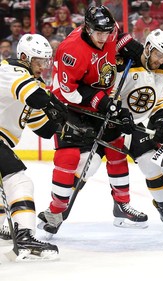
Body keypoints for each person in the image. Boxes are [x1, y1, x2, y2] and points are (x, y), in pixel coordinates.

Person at [38, 5, 148, 236]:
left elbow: (122, 40)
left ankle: (121, 205)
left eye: (107, 33)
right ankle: (55, 211)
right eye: (99, 33)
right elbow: (70, 92)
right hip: (68, 105)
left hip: (99, 97)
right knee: (69, 158)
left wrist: (142, 55)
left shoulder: (108, 31)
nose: (103, 38)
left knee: (116, 147)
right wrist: (105, 103)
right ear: (88, 28)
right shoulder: (71, 50)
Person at [0, 33, 68, 260]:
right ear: (23, 57)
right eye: (38, 61)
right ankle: (26, 235)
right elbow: (38, 98)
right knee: (18, 180)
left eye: (46, 61)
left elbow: (44, 129)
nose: (43, 66)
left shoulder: (32, 87)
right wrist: (54, 104)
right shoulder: (10, 69)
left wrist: (65, 123)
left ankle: (7, 226)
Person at [114, 28, 163, 229]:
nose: (161, 60)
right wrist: (116, 111)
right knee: (86, 165)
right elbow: (108, 90)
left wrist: (162, 120)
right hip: (109, 120)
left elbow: (162, 100)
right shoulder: (124, 62)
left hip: (135, 124)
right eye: (159, 54)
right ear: (148, 48)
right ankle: (57, 212)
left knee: (151, 164)